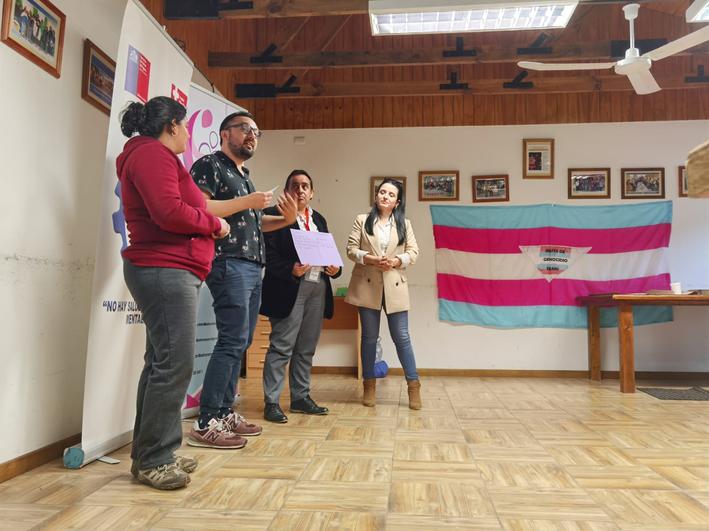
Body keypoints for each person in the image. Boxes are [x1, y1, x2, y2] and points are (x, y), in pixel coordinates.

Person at [117, 96, 230, 490]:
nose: (187, 135)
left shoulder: (154, 156)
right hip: (163, 268)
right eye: (185, 128)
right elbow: (168, 212)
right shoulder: (152, 155)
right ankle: (154, 459)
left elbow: (173, 207)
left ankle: (151, 452)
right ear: (172, 126)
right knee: (173, 365)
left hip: (168, 268)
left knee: (161, 364)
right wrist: (214, 225)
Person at [188, 111, 297, 448]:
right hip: (228, 262)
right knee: (231, 340)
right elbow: (201, 207)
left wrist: (286, 220)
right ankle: (207, 420)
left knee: (242, 341)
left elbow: (254, 222)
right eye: (245, 129)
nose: (252, 136)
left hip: (252, 265)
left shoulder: (244, 176)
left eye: (256, 132)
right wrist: (249, 201)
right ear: (225, 133)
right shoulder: (209, 165)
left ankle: (223, 411)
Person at [259, 170, 342, 423]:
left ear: (312, 193)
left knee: (306, 348)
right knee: (281, 346)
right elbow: (267, 254)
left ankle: (300, 397)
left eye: (305, 186)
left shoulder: (319, 219)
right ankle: (272, 402)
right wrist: (290, 269)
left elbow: (329, 251)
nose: (300, 190)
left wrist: (336, 269)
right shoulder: (273, 215)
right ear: (286, 191)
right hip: (289, 286)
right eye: (295, 186)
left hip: (318, 287)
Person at [345, 178, 422, 409]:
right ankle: (369, 386)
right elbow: (351, 250)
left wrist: (396, 261)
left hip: (395, 284)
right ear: (376, 195)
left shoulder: (404, 224)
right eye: (382, 192)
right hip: (367, 284)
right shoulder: (362, 220)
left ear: (397, 202)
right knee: (369, 338)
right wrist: (370, 259)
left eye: (390, 194)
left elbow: (413, 252)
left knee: (402, 337)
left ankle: (414, 385)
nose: (385, 196)